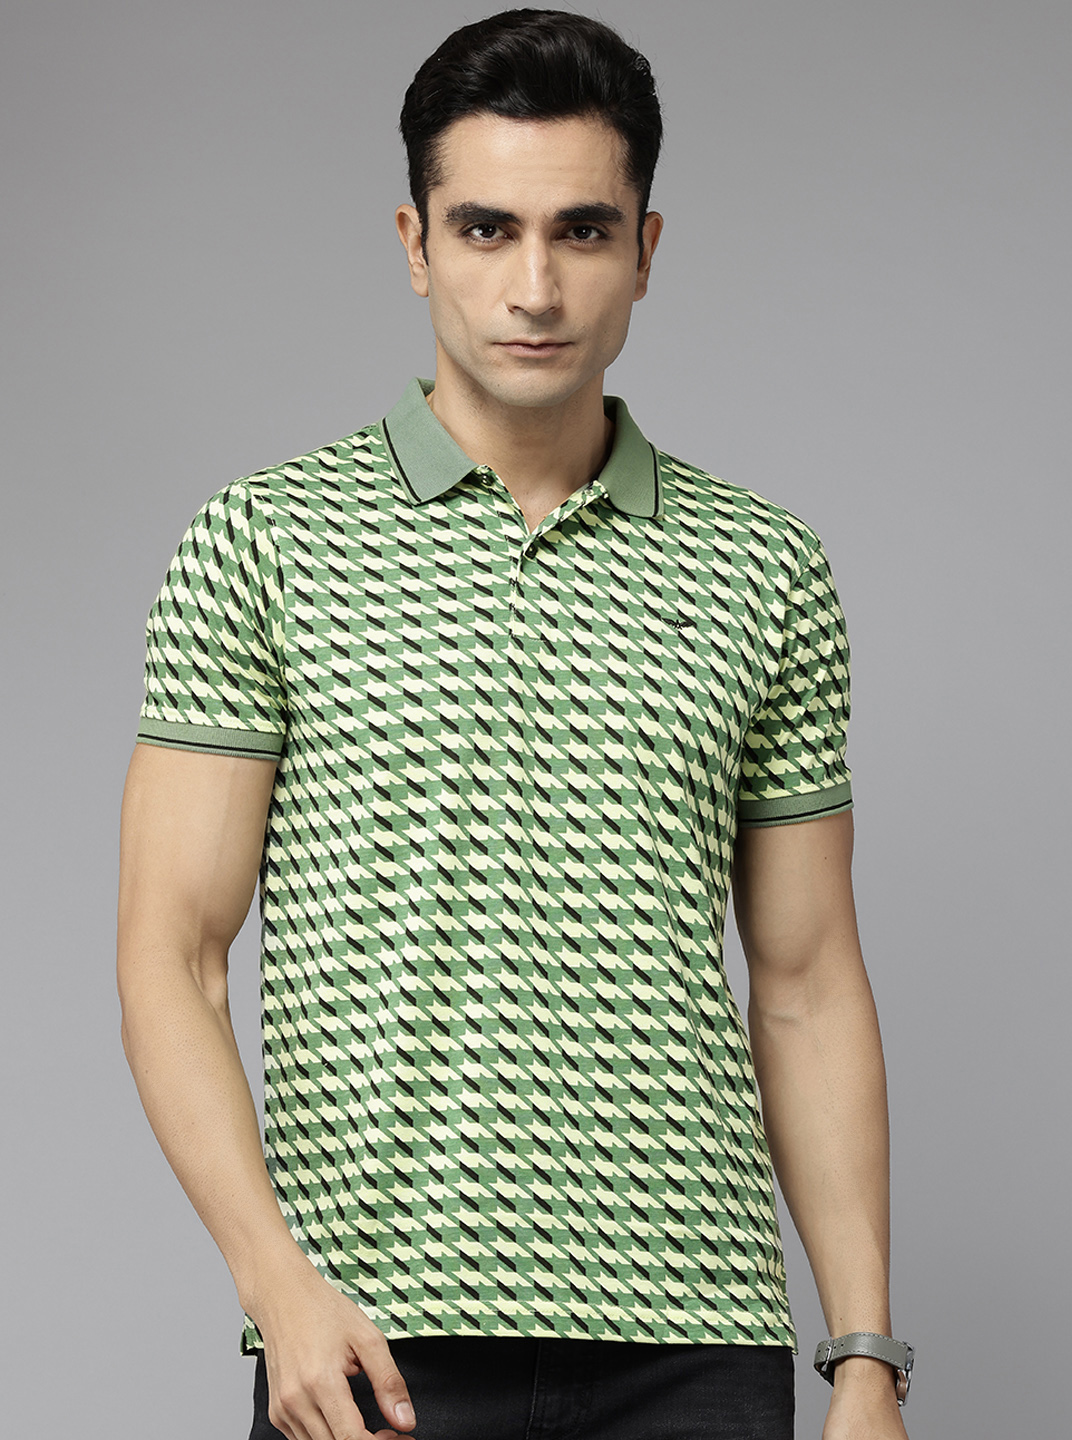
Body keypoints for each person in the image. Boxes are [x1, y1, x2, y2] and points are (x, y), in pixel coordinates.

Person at [117, 9, 913, 1440]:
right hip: (371, 1344)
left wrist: (863, 1355)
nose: (534, 288)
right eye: (485, 230)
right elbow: (170, 954)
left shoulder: (764, 567)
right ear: (416, 244)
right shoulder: (265, 542)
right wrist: (277, 1288)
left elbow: (805, 979)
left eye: (582, 232)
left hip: (697, 1344)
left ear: (646, 252)